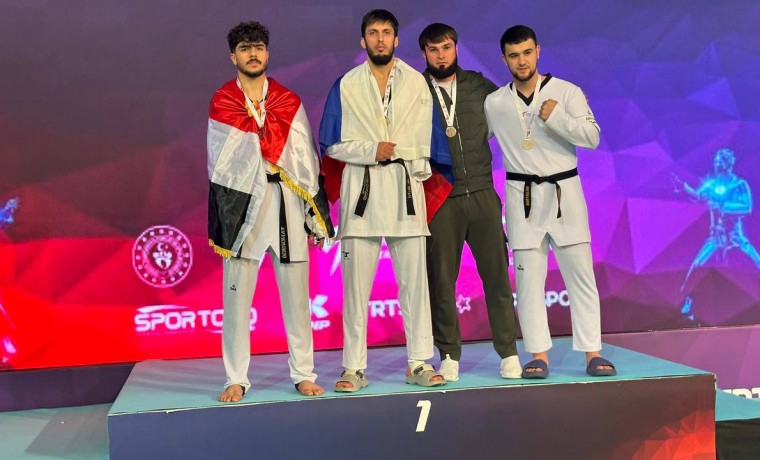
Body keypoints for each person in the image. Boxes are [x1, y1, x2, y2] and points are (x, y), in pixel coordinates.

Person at [319, 9, 445, 392]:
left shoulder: (417, 83)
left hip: (405, 192)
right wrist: (371, 150)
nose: (379, 39)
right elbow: (331, 143)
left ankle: (419, 362)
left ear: (396, 39)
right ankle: (353, 368)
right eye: (373, 33)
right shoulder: (345, 84)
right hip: (362, 191)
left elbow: (428, 140)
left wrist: (405, 158)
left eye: (386, 32)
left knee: (415, 286)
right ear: (363, 40)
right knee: (356, 291)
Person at [207, 21, 334, 402]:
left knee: (297, 296)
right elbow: (221, 165)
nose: (253, 54)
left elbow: (306, 161)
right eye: (245, 48)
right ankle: (235, 378)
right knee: (236, 299)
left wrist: (312, 214)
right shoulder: (223, 101)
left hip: (285, 202)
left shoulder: (287, 101)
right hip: (245, 204)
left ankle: (304, 373)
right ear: (233, 57)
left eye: (259, 47)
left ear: (267, 53)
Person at [484, 25, 616, 378]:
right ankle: (538, 355)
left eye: (527, 52)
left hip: (564, 193)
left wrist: (556, 116)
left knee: (581, 276)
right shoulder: (495, 102)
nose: (522, 61)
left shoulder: (566, 92)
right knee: (528, 283)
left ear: (538, 51)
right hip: (522, 197)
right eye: (514, 55)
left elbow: (591, 137)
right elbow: (475, 141)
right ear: (504, 59)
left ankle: (593, 353)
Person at [418, 23, 520, 381]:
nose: (440, 56)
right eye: (433, 50)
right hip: (440, 198)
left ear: (456, 48)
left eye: (446, 47)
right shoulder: (415, 90)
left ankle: (509, 352)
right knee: (441, 281)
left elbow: (515, 110)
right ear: (424, 53)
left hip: (481, 193)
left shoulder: (479, 86)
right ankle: (449, 355)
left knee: (497, 277)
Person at [674, 148, 760, 319]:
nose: (716, 164)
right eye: (715, 162)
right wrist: (683, 187)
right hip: (716, 238)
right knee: (697, 266)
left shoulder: (739, 185)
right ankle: (686, 303)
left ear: (727, 164)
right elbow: (699, 196)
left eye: (719, 162)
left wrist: (723, 205)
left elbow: (747, 207)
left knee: (757, 264)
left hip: (736, 237)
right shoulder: (712, 185)